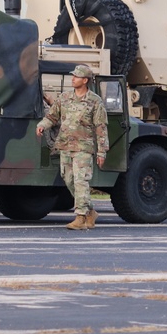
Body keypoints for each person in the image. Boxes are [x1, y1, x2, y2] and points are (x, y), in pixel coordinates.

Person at [36, 65, 109, 230]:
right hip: (65, 146)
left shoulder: (95, 101)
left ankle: (81, 217)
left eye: (76, 76)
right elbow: (52, 116)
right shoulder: (65, 98)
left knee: (80, 180)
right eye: (73, 76)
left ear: (85, 80)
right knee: (69, 180)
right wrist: (42, 125)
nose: (73, 78)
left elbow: (101, 128)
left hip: (83, 148)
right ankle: (90, 211)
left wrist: (102, 151)